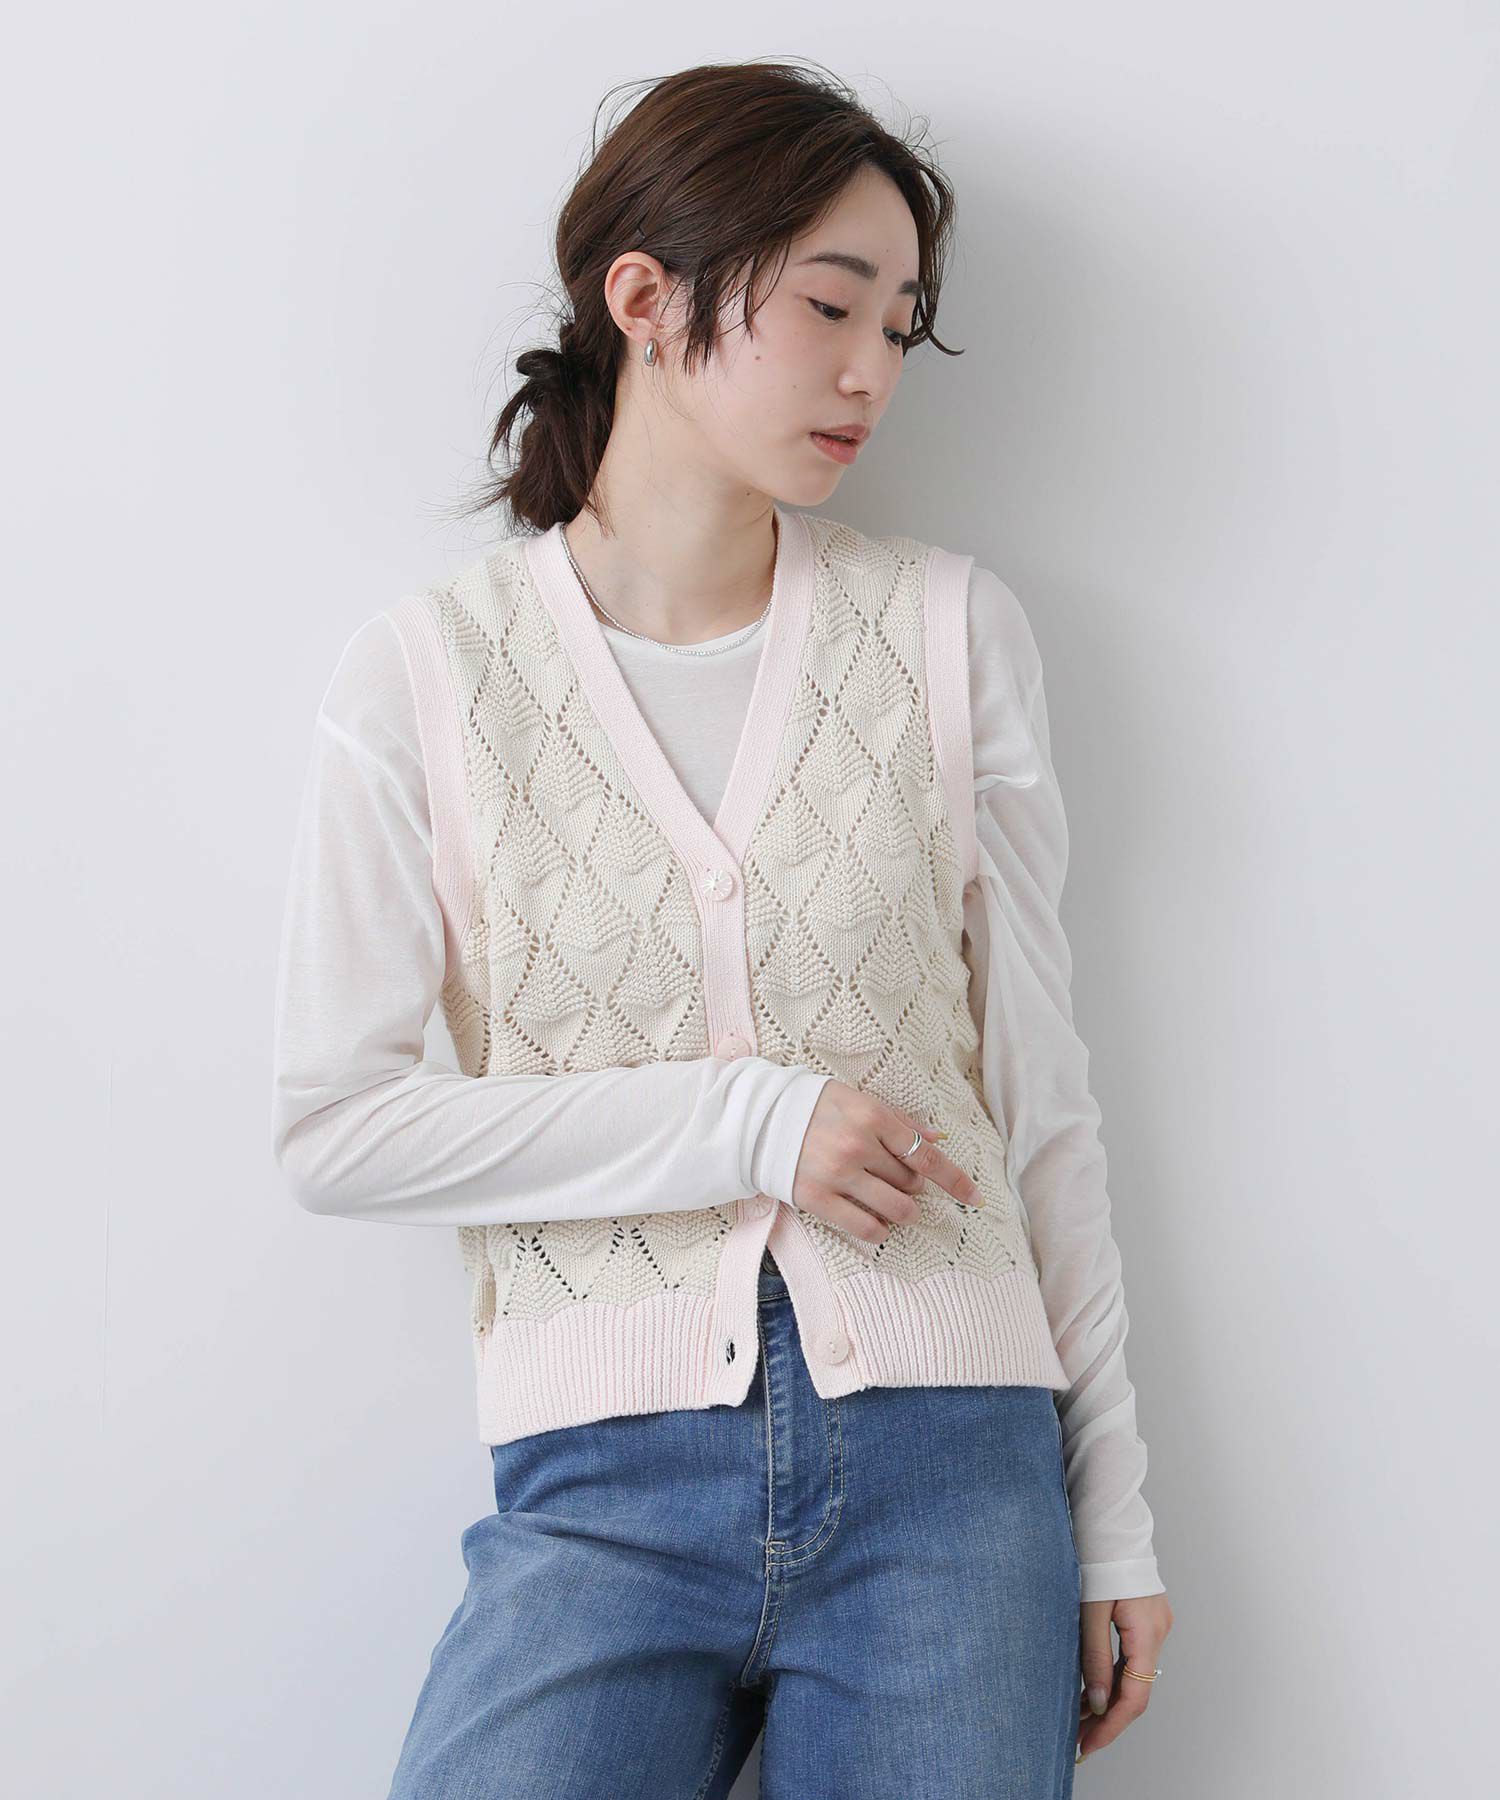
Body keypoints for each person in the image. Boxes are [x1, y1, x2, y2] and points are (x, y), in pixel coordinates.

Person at [270, 57, 1174, 1799]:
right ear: (644, 297)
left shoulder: (950, 634)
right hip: (599, 1490)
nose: (871, 371)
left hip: (955, 1479)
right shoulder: (425, 679)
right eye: (830, 305)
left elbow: (1043, 1101)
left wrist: (1113, 1511)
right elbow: (337, 1127)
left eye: (902, 326)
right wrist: (746, 1119)